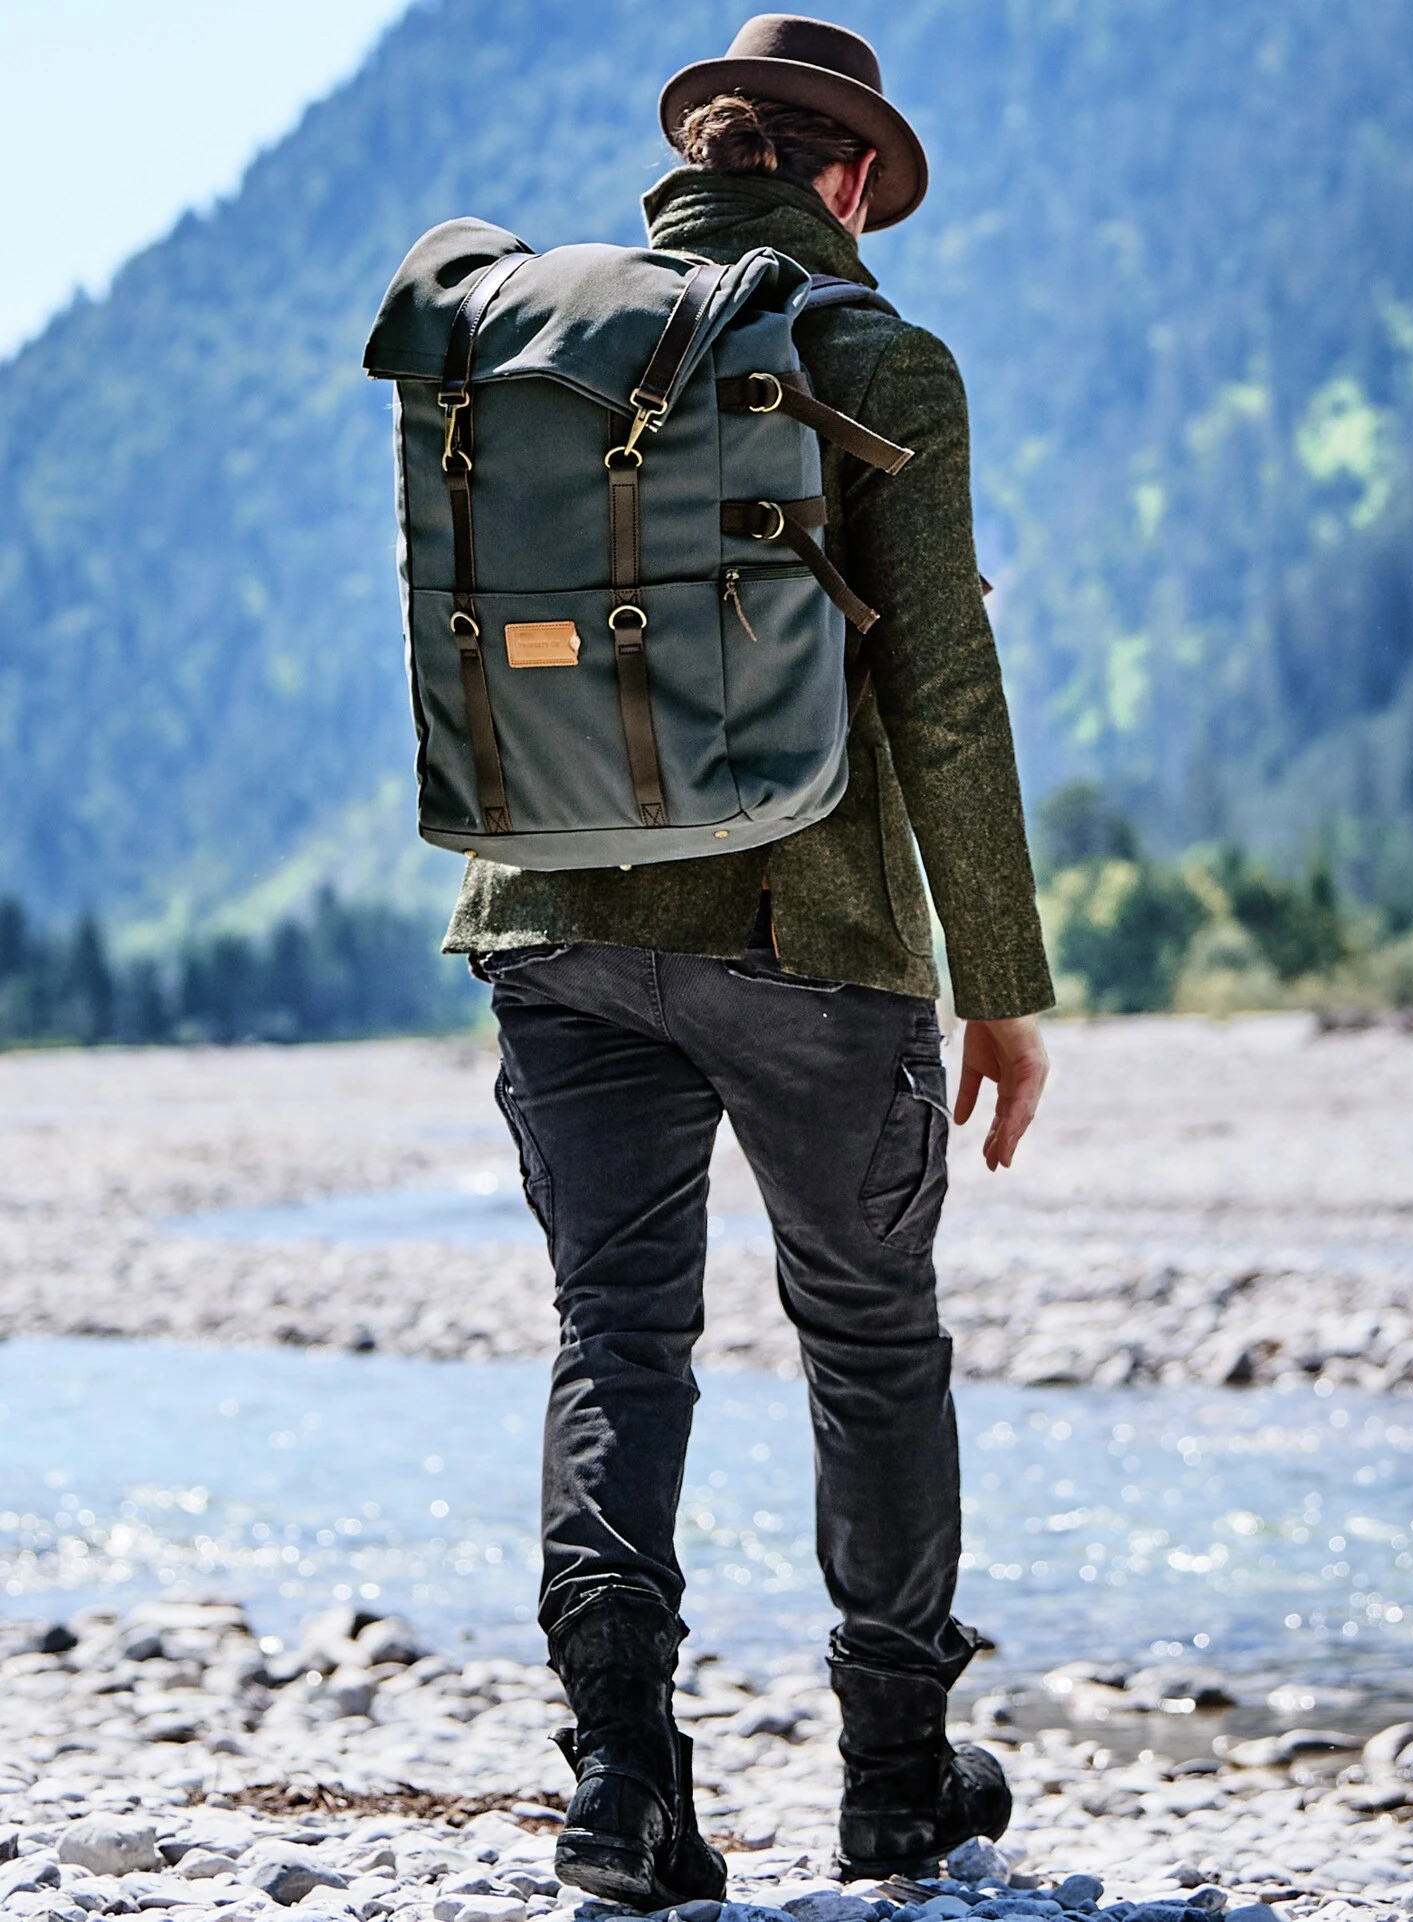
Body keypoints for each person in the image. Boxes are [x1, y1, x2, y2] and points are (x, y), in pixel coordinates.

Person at [445, 14, 1055, 1905]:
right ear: (847, 178)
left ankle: (620, 1783)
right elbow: (944, 691)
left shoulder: (536, 340)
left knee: (617, 1333)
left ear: (700, 164)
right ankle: (894, 1778)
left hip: (551, 917)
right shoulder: (876, 355)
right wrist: (1004, 982)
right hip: (812, 931)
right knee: (869, 1339)